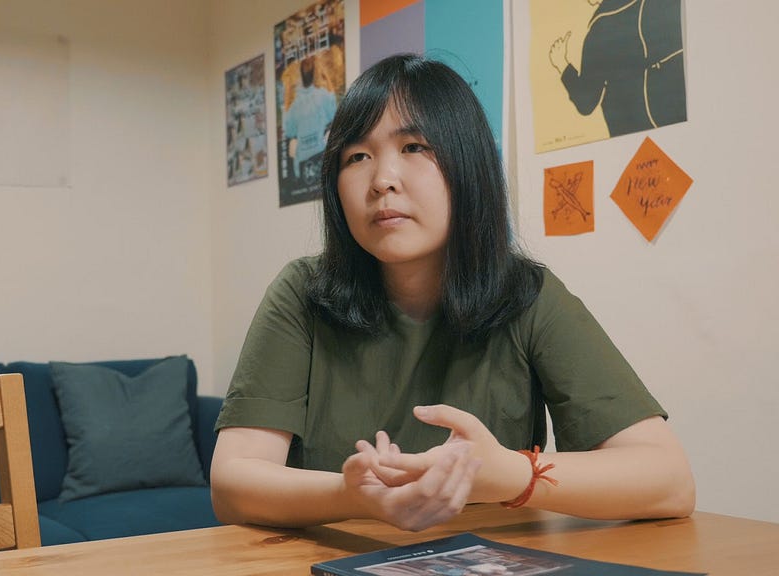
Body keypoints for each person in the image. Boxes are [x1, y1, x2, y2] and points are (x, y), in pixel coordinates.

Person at [211, 54, 694, 531]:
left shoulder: (526, 295)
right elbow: (232, 484)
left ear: (468, 165)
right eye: (357, 156)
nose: (382, 181)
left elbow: (670, 481)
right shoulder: (304, 294)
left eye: (414, 147)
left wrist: (508, 474)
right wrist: (350, 496)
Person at [548, 0, 686, 137]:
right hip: (679, 107)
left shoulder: (600, 30)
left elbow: (586, 103)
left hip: (638, 127)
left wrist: (562, 64)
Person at [283, 55, 338, 181]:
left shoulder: (295, 106)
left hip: (302, 161)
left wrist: (287, 93)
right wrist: (327, 77)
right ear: (315, 73)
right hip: (320, 156)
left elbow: (289, 130)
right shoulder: (323, 96)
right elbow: (333, 112)